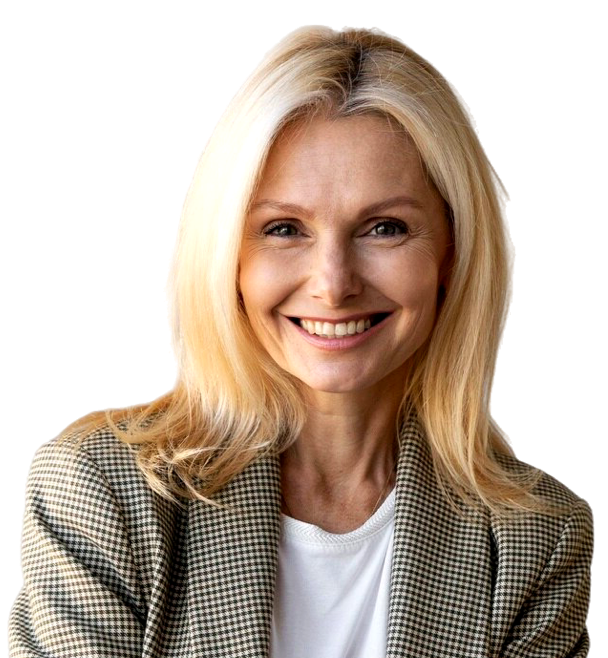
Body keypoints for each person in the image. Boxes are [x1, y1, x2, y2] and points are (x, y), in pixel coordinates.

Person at [8, 25, 594, 658]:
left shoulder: (535, 537)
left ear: (451, 252)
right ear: (228, 255)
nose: (333, 285)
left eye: (385, 227)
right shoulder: (101, 490)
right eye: (284, 229)